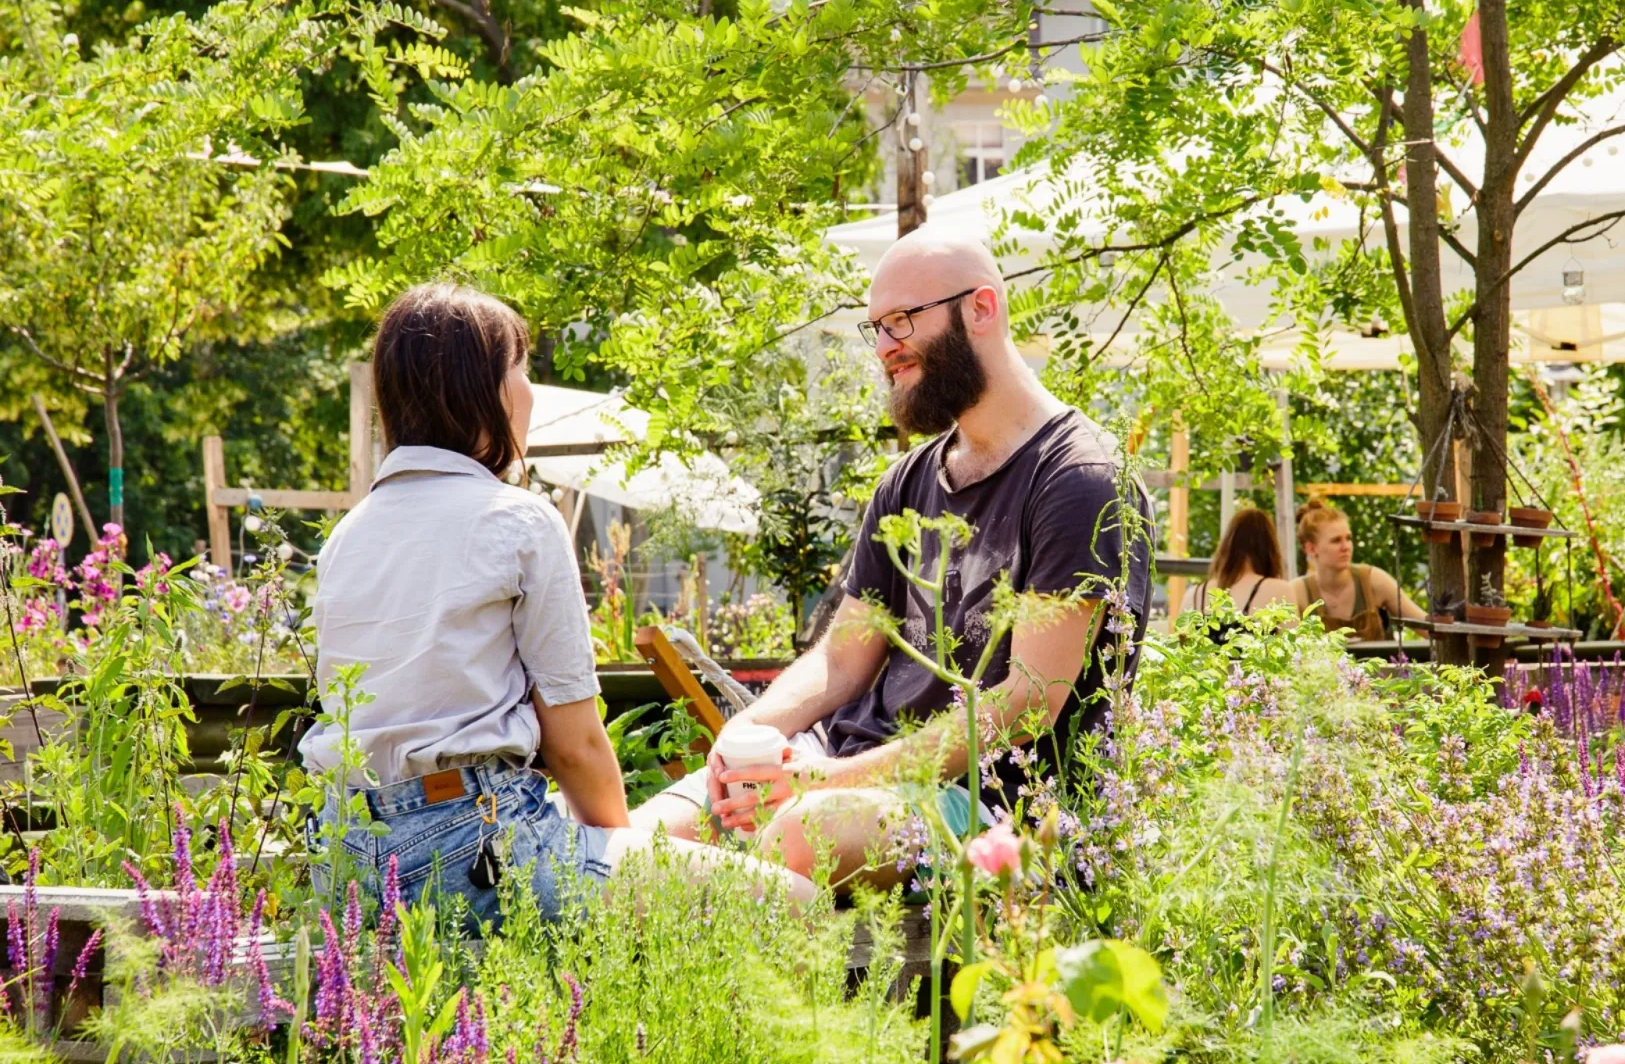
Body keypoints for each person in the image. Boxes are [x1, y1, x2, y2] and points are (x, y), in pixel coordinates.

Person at [653, 227, 1153, 890]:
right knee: (641, 841)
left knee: (801, 835)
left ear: (981, 308)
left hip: (991, 809)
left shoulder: (1080, 478)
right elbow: (839, 660)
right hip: (842, 764)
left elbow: (1028, 701)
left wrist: (827, 782)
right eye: (876, 328)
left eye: (901, 321)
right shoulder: (908, 481)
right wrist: (745, 739)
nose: (885, 347)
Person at [301, 283, 811, 928]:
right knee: (794, 904)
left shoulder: (350, 533)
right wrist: (619, 861)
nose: (528, 390)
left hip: (347, 856)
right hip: (476, 848)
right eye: (518, 369)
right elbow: (576, 747)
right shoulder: (515, 520)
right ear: (480, 389)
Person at [1290, 501, 1424, 639]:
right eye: (1336, 540)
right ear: (1311, 549)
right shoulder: (1296, 592)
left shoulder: (1373, 579)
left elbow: (1426, 626)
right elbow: (1285, 650)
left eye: (1348, 538)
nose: (1346, 546)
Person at [1179, 508, 1296, 628]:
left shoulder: (1194, 596)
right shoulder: (1279, 591)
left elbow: (1179, 643)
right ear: (1271, 549)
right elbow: (1293, 644)